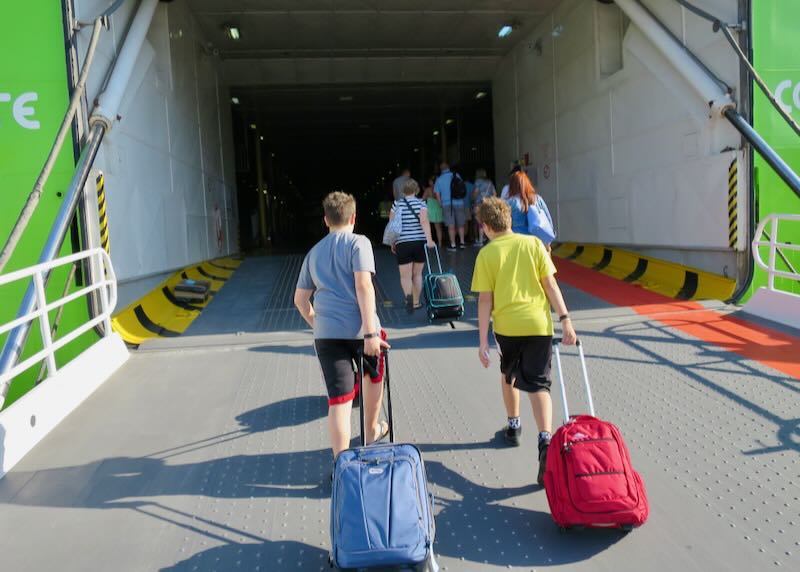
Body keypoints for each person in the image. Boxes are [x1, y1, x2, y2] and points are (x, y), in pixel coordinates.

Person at [471, 198, 577, 485]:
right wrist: (565, 319)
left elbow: (484, 300)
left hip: (507, 327)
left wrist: (482, 340)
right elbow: (550, 285)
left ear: (486, 226)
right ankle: (545, 441)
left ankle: (514, 426)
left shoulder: (487, 254)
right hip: (538, 325)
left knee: (509, 374)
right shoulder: (534, 245)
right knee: (540, 383)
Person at [294, 192, 391, 460]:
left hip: (327, 336)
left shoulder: (313, 254)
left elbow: (300, 300)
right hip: (361, 331)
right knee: (373, 376)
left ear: (326, 220)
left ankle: (342, 462)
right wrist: (371, 333)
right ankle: (371, 433)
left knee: (340, 400)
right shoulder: (359, 244)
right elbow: (363, 285)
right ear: (353, 217)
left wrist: (317, 322)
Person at [389, 179, 436, 311]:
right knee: (417, 274)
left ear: (403, 191)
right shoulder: (421, 204)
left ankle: (408, 299)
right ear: (416, 190)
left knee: (405, 276)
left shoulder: (396, 205)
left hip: (402, 243)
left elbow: (392, 225)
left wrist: (393, 242)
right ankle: (416, 302)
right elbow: (424, 222)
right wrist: (430, 240)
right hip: (419, 243)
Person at [505, 171, 556, 249]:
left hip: (518, 243)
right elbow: (548, 220)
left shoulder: (510, 202)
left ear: (512, 186)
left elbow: (505, 225)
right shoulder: (537, 199)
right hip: (537, 242)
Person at [434, 162, 468, 251]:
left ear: (440, 170)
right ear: (448, 168)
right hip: (459, 202)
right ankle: (462, 243)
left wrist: (440, 204)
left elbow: (437, 194)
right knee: (460, 224)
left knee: (451, 225)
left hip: (447, 204)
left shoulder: (439, 179)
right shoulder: (456, 175)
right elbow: (462, 188)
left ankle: (453, 245)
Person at [472, 168, 496, 245]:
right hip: (488, 204)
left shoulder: (477, 182)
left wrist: (473, 198)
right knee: (488, 221)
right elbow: (494, 194)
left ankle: (481, 240)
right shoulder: (490, 182)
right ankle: (489, 238)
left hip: (479, 204)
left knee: (481, 222)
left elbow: (475, 193)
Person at [422, 176, 444, 247]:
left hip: (430, 210)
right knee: (438, 228)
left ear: (431, 182)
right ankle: (440, 243)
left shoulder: (428, 189)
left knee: (428, 227)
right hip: (438, 209)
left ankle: (429, 242)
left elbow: (423, 198)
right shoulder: (440, 188)